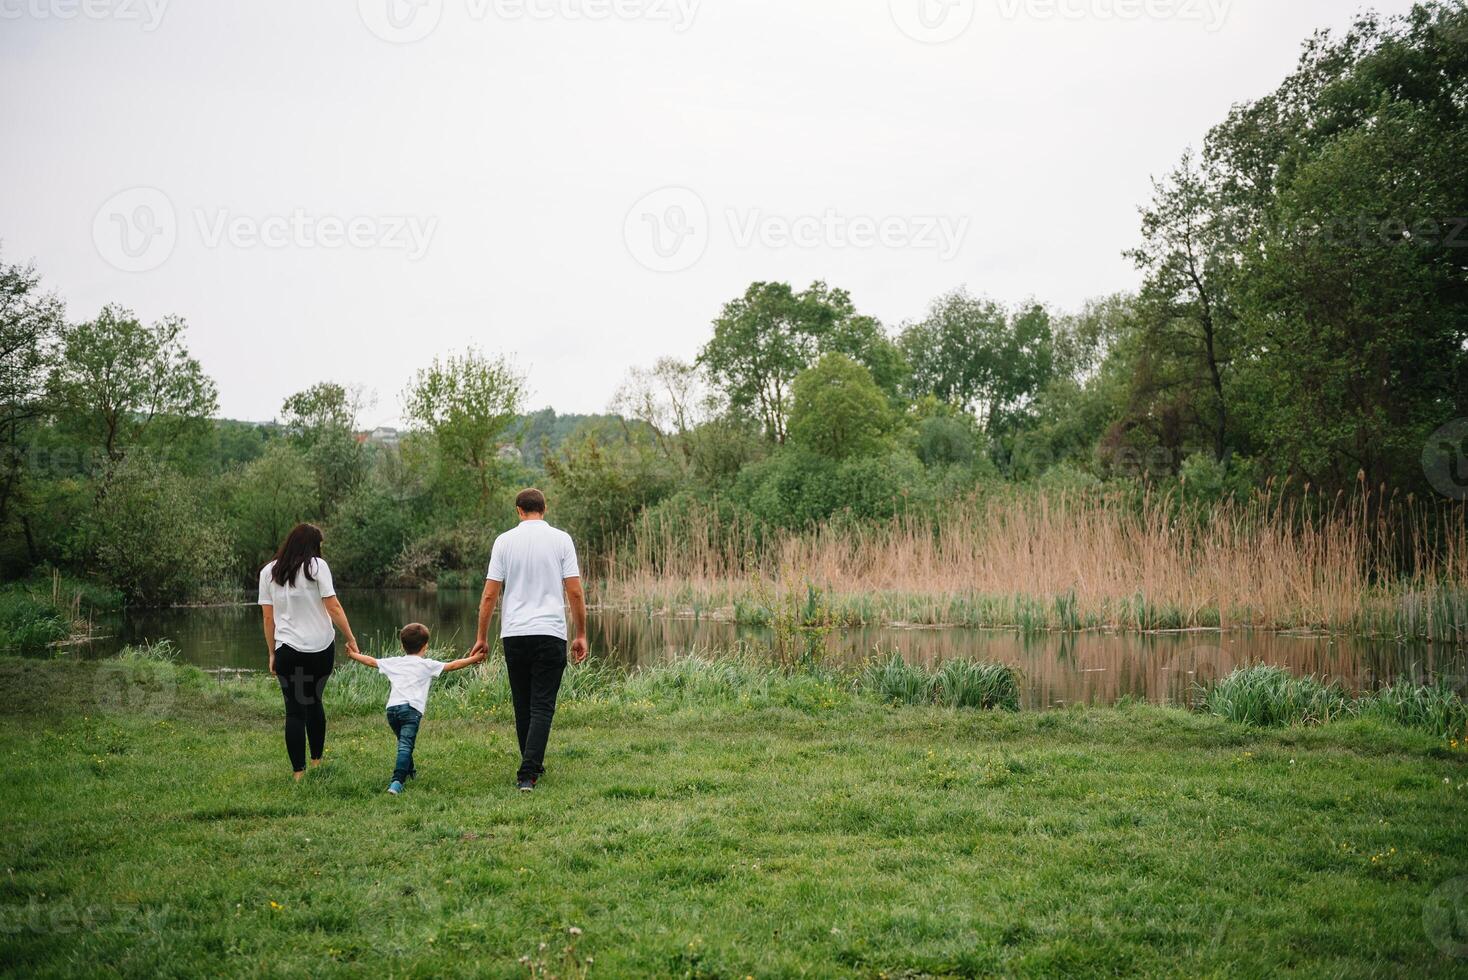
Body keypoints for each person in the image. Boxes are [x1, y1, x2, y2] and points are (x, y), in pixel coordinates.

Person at [470, 488, 588, 792]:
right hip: (549, 632)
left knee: (523, 704)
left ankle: (532, 761)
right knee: (542, 705)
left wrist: (482, 637)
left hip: (514, 633)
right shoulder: (562, 540)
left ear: (518, 511)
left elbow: (489, 595)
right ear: (544, 508)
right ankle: (528, 772)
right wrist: (581, 634)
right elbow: (574, 591)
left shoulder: (503, 541)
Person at [258, 523, 360, 781]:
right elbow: (333, 606)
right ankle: (317, 762)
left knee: (294, 710)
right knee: (314, 701)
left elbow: (268, 618)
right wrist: (351, 638)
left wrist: (272, 652)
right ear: (313, 545)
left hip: (287, 651)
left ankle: (298, 773)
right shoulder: (317, 566)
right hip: (320, 649)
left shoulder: (269, 572)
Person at [343, 622, 486, 795]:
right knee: (405, 746)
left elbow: (371, 661)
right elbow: (453, 665)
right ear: (425, 646)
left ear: (402, 645)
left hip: (392, 710)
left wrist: (353, 655)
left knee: (404, 742)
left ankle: (410, 771)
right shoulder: (426, 665)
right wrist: (475, 659)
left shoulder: (394, 662)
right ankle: (397, 782)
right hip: (411, 710)